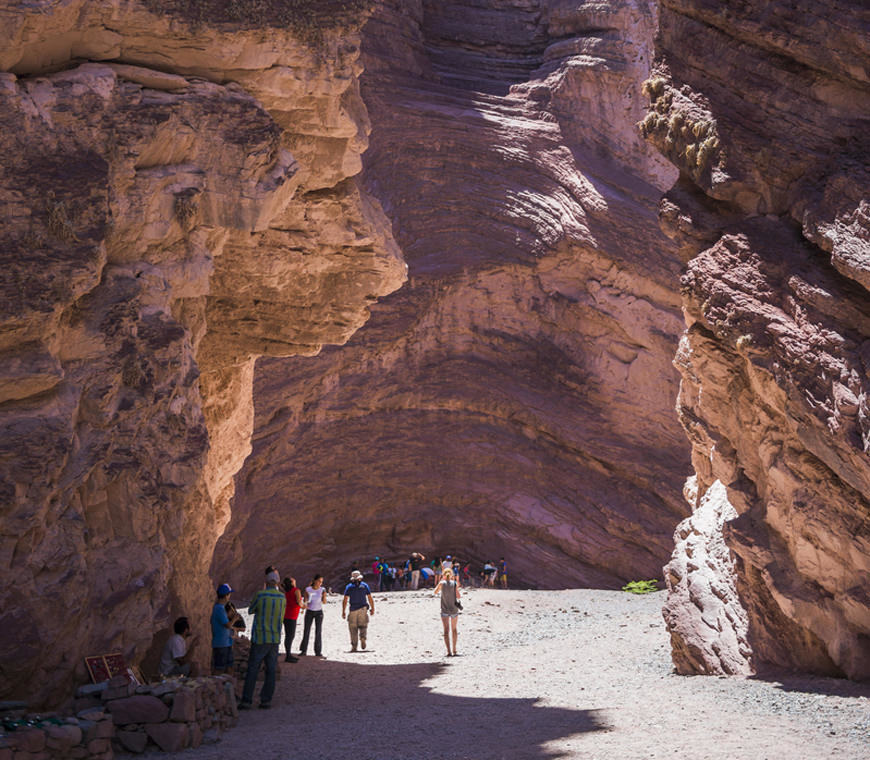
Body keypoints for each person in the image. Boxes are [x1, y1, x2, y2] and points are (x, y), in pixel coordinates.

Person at [239, 570, 285, 710]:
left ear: (266, 582)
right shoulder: (282, 597)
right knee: (271, 669)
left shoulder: (260, 595)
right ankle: (266, 700)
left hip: (260, 637)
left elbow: (251, 610)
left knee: (253, 668)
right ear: (277, 582)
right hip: (274, 637)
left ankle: (247, 700)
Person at [341, 570, 375, 652]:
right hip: (363, 609)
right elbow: (370, 597)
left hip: (353, 610)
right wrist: (372, 608)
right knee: (363, 625)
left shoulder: (349, 587)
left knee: (353, 628)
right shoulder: (365, 586)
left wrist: (343, 611)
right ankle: (363, 637)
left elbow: (345, 599)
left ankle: (354, 646)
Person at [211, 584, 239, 675]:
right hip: (221, 644)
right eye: (229, 594)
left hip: (226, 643)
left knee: (229, 667)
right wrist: (235, 619)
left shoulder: (220, 608)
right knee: (219, 669)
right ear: (226, 595)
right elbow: (227, 625)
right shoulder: (219, 609)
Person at [434, 568, 461, 657]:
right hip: (454, 609)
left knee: (446, 630)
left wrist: (441, 582)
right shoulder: (454, 584)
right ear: (451, 575)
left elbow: (435, 592)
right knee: (454, 629)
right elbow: (458, 596)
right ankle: (454, 650)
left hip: (444, 609)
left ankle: (449, 651)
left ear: (443, 575)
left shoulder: (441, 583)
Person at [299, 574, 327, 657]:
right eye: (319, 581)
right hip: (309, 612)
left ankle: (318, 651)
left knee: (318, 631)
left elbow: (324, 602)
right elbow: (305, 601)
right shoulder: (308, 589)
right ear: (314, 581)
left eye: (321, 582)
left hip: (319, 612)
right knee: (306, 630)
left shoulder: (322, 589)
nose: (320, 583)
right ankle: (303, 650)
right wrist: (305, 605)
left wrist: (324, 596)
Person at [282, 577, 302, 663]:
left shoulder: (287, 591)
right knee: (290, 636)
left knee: (288, 635)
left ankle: (288, 654)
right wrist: (304, 606)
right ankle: (288, 655)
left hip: (286, 615)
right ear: (292, 582)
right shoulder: (296, 590)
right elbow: (299, 602)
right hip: (292, 616)